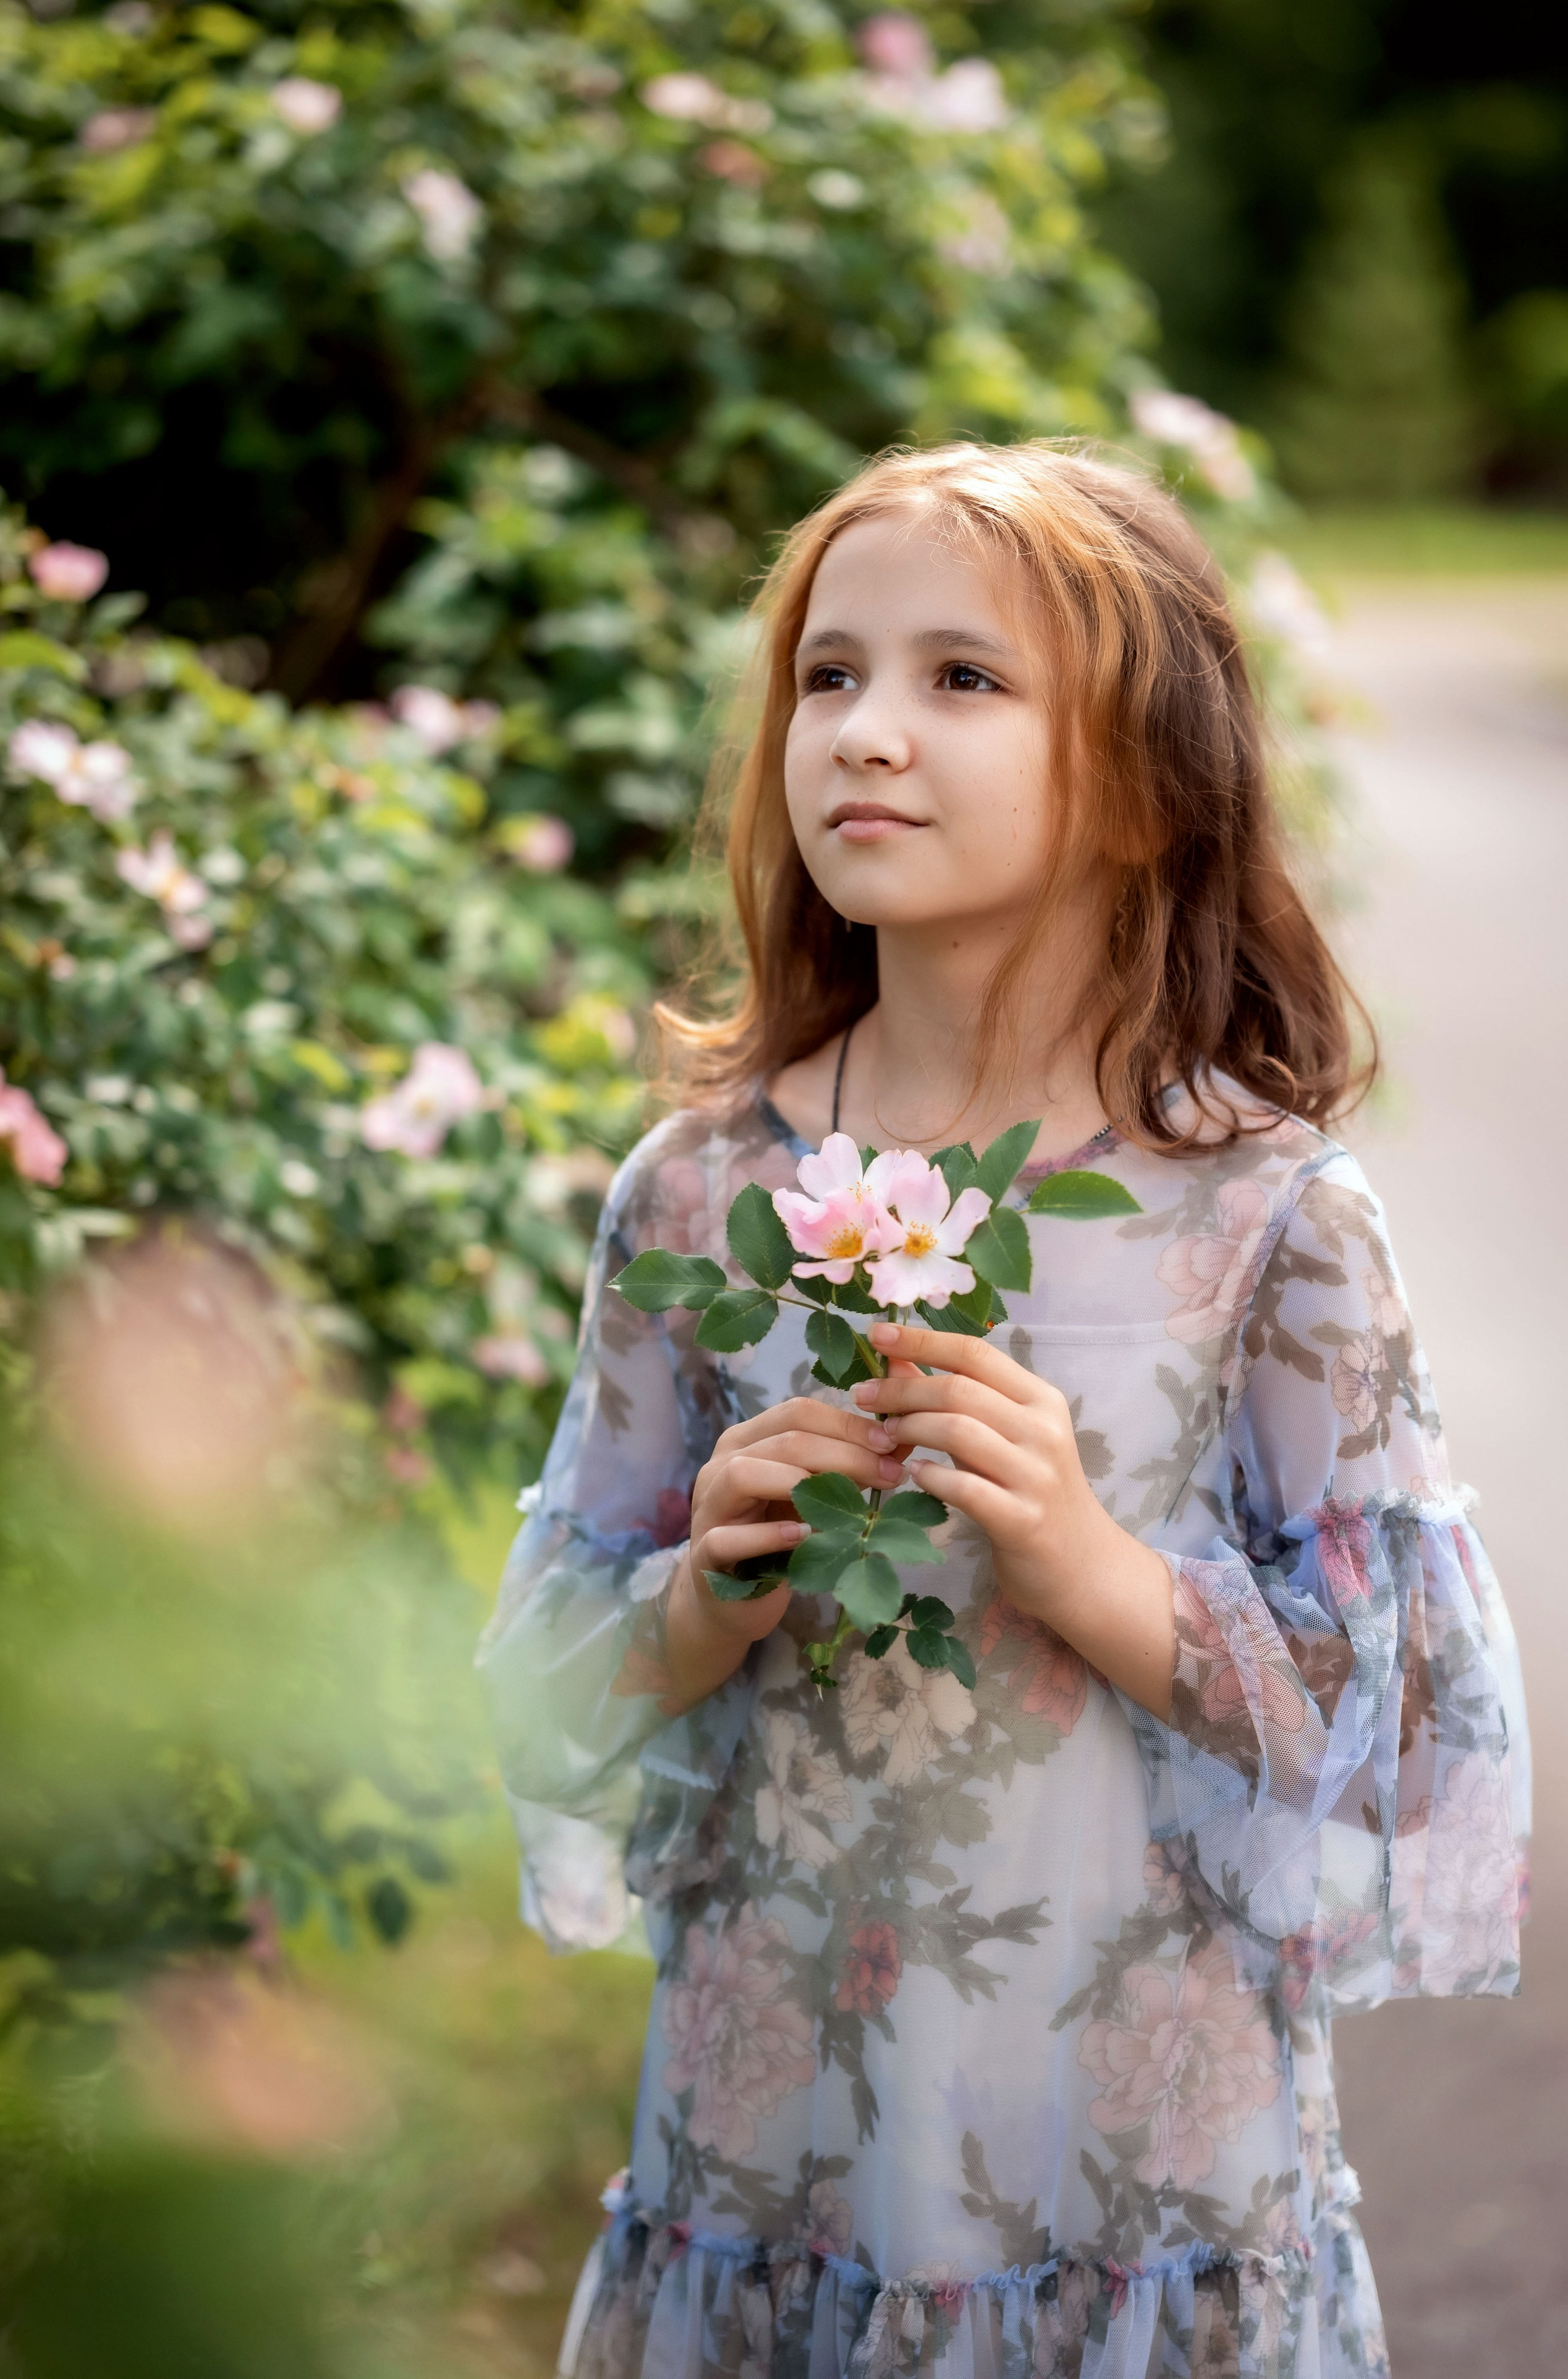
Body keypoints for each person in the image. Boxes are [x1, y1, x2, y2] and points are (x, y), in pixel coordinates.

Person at [475, 443, 1529, 2379]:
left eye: (964, 679)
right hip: (772, 2155)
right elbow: (541, 1692)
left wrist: (1088, 1562)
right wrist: (704, 1598)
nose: (868, 731)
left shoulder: (1269, 1221)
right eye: (828, 674)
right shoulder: (702, 1198)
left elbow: (1394, 1737)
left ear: (1144, 779)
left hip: (1133, 2190)